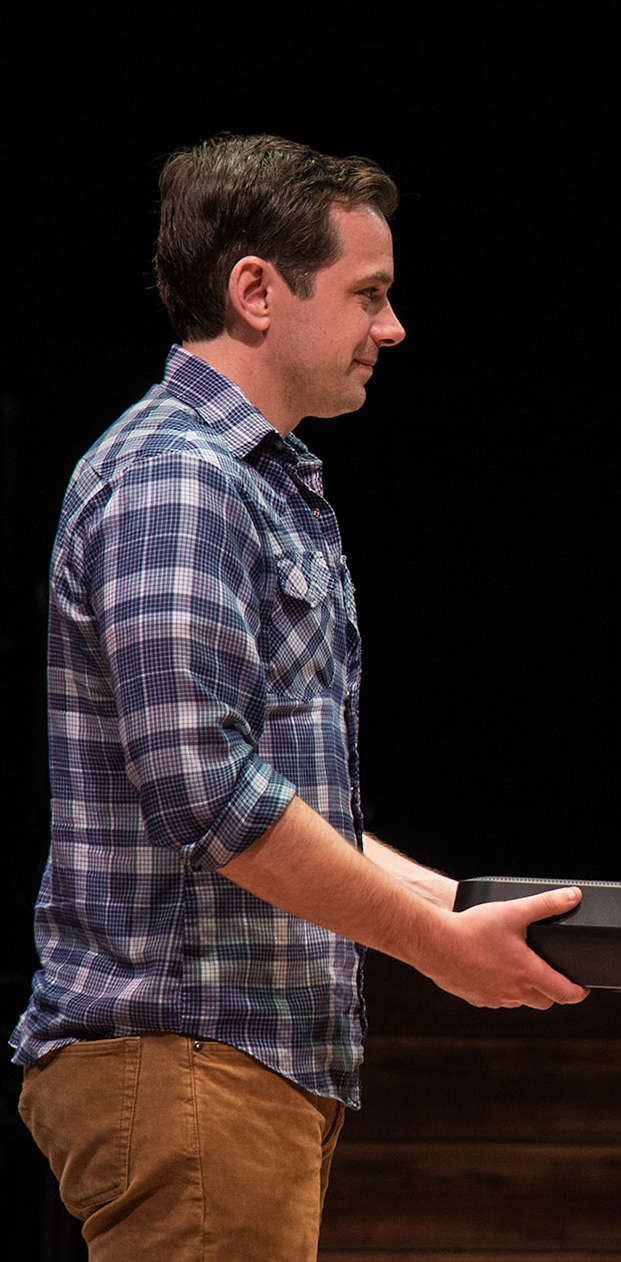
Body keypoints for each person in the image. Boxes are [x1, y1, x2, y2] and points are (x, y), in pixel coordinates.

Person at [11, 134, 588, 1260]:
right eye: (369, 294)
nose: (393, 326)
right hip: (184, 1045)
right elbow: (212, 800)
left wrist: (460, 901)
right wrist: (433, 943)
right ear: (257, 291)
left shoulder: (254, 479)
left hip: (233, 1059)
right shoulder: (180, 475)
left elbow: (268, 793)